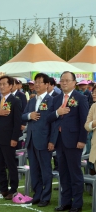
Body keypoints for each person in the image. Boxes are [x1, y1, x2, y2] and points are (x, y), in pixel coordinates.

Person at [47, 71, 88, 212]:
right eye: (62, 80)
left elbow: (84, 121)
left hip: (74, 141)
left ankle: (77, 204)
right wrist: (58, 112)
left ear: (74, 82)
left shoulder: (80, 98)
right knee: (63, 173)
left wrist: (82, 140)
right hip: (59, 142)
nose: (63, 82)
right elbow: (50, 118)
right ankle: (66, 202)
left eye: (67, 80)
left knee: (75, 173)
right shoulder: (56, 99)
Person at [0, 75, 22, 200]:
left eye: (4, 84)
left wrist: (14, 138)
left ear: (11, 86)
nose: (1, 86)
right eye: (0, 84)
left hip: (9, 138)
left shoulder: (15, 101)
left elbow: (17, 122)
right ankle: (3, 189)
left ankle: (13, 189)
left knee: (10, 165)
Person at [22, 73, 53, 207]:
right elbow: (23, 116)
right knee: (34, 169)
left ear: (47, 85)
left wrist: (52, 141)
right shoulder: (32, 100)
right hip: (31, 140)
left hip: (44, 140)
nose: (37, 84)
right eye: (36, 82)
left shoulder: (52, 101)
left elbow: (53, 123)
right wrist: (30, 115)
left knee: (45, 170)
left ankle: (46, 197)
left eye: (40, 82)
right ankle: (37, 195)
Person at [84, 85, 96, 175]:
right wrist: (94, 123)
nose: (93, 94)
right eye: (93, 92)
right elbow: (87, 126)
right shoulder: (93, 107)